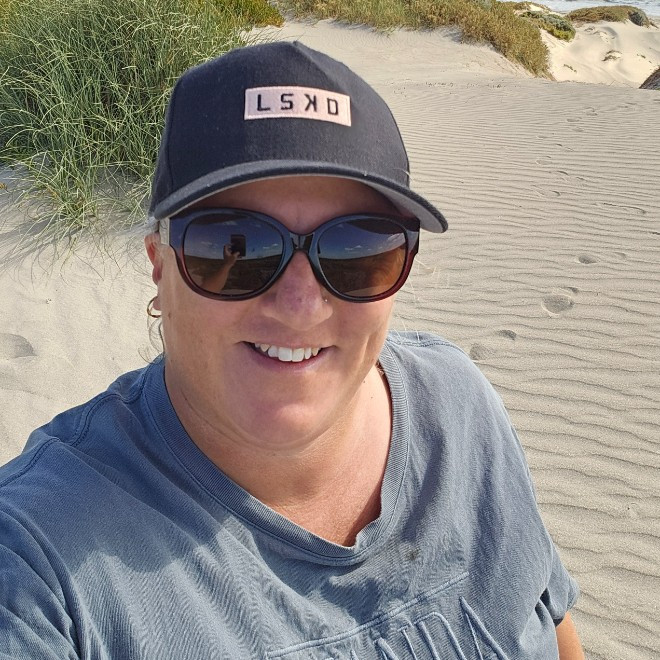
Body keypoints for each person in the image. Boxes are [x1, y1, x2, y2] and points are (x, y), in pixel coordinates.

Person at [0, 42, 584, 658]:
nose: (301, 305)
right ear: (159, 264)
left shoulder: (458, 403)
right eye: (235, 247)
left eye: (357, 250)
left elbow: (550, 622)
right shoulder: (38, 566)